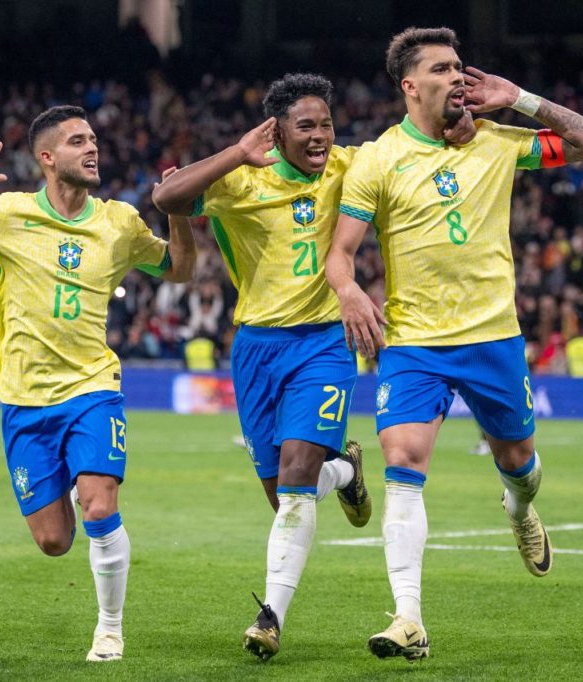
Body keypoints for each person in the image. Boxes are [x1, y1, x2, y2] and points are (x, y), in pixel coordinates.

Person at [154, 73, 475, 662]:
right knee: (285, 494)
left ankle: (270, 617)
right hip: (256, 348)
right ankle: (347, 475)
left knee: (298, 474)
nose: (321, 135)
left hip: (326, 342)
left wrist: (460, 120)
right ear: (275, 131)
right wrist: (235, 154)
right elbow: (167, 199)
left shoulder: (349, 166)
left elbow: (415, 148)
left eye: (326, 123)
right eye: (306, 126)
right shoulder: (240, 178)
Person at [326, 26, 583, 661]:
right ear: (410, 85)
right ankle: (408, 618)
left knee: (521, 467)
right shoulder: (377, 158)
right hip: (415, 342)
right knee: (403, 466)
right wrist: (349, 293)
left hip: (492, 338)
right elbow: (340, 255)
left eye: (461, 68)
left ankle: (519, 507)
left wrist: (520, 99)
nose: (458, 77)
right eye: (443, 69)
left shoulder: (501, 142)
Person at [0, 105, 196, 663]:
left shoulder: (118, 222)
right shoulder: (9, 213)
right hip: (23, 399)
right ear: (47, 158)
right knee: (53, 541)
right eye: (76, 141)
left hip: (92, 387)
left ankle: (109, 630)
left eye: (93, 140)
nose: (92, 149)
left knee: (99, 506)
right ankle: (68, 475)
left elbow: (179, 271)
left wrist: (177, 213)